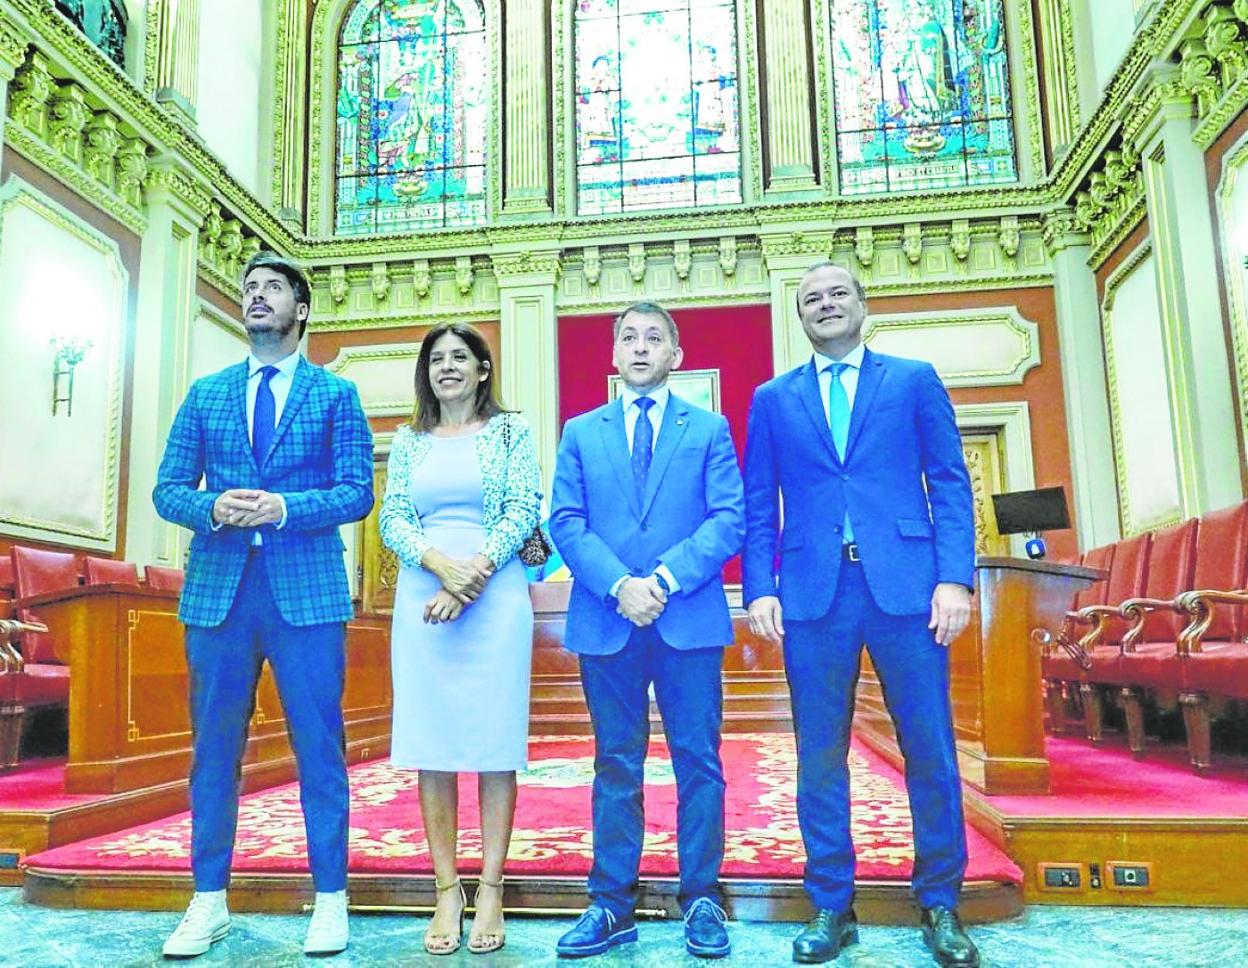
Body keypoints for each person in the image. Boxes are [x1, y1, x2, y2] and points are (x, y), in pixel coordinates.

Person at [742, 262, 979, 968]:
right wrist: (760, 587)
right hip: (813, 594)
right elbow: (758, 502)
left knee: (929, 748)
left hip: (909, 590)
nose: (826, 305)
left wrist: (955, 579)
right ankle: (831, 905)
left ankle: (940, 902)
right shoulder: (773, 399)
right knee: (819, 754)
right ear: (800, 317)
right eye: (811, 299)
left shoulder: (912, 380)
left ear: (862, 305)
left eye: (837, 293)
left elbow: (949, 482)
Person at [153, 251, 374, 958]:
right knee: (213, 751)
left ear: (300, 310)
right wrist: (212, 505)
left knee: (319, 747)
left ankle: (331, 899)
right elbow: (167, 489)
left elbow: (356, 492)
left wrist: (284, 507)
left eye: (273, 287)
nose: (257, 296)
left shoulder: (335, 394)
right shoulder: (206, 394)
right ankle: (207, 900)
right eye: (250, 287)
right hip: (219, 594)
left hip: (306, 596)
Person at [550, 301, 745, 959]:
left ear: (675, 356)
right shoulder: (581, 432)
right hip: (606, 619)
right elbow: (566, 520)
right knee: (615, 762)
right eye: (629, 337)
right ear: (614, 354)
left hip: (687, 618)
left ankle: (702, 898)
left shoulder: (708, 429)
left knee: (699, 761)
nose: (640, 347)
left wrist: (661, 580)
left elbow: (728, 519)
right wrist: (619, 586)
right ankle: (611, 904)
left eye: (653, 338)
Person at [379, 322, 541, 956]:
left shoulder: (510, 432)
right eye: (436, 359)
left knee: (494, 743)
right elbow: (393, 516)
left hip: (496, 594)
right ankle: (447, 889)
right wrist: (439, 566)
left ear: (482, 370)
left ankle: (492, 888)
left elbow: (523, 508)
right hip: (423, 595)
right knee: (434, 743)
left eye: (459, 357)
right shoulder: (408, 440)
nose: (447, 367)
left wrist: (470, 575)